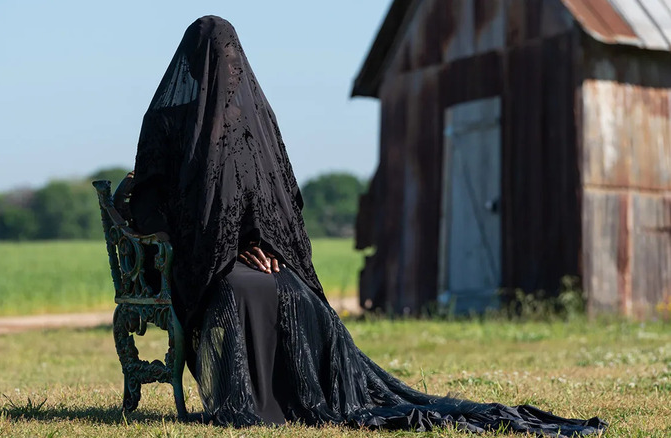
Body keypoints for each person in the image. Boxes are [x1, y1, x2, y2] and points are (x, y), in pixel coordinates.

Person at [129, 15, 606, 436]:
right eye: (214, 57)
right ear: (190, 63)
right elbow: (149, 202)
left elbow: (277, 200)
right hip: (201, 262)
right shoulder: (166, 124)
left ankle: (293, 400)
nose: (223, 67)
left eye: (230, 58)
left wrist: (261, 242)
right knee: (239, 293)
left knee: (298, 296)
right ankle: (245, 403)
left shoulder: (251, 120)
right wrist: (214, 248)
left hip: (252, 253)